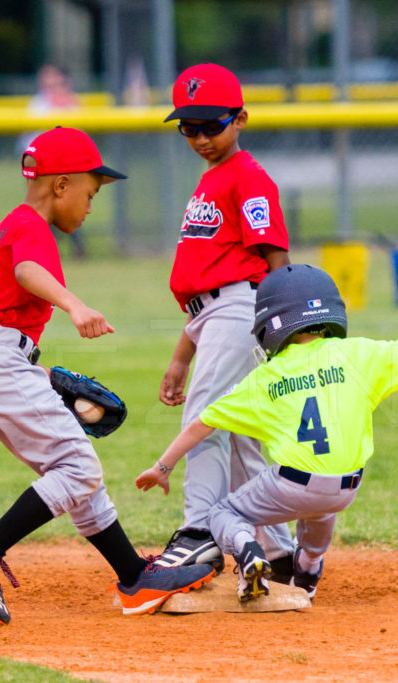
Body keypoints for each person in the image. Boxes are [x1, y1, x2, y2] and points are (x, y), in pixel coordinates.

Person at [0, 126, 214, 625]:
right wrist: (74, 305)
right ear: (60, 185)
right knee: (78, 466)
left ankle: (134, 578)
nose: (90, 207)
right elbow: (27, 274)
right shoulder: (31, 227)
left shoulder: (16, 224)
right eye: (89, 193)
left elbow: (2, 308)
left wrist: (38, 373)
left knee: (76, 475)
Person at [137, 264, 398, 601]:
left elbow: (202, 423)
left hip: (291, 485)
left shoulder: (268, 376)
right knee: (320, 508)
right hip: (345, 488)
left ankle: (250, 550)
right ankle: (307, 570)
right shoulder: (356, 353)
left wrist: (163, 467)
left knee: (223, 513)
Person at [154, 62, 297, 580]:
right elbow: (204, 286)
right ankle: (282, 555)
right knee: (240, 438)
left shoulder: (249, 178)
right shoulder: (211, 180)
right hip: (211, 315)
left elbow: (273, 261)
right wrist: (180, 356)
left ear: (240, 120)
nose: (199, 138)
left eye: (211, 126)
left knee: (206, 418)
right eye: (188, 128)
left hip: (240, 310)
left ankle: (197, 535)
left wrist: (283, 332)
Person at [20, 64, 88, 259]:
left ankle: (74, 245)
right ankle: (44, 247)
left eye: (54, 79)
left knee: (69, 206)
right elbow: (27, 139)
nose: (50, 83)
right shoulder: (38, 104)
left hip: (69, 166)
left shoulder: (73, 102)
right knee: (43, 209)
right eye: (46, 78)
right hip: (43, 167)